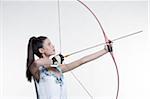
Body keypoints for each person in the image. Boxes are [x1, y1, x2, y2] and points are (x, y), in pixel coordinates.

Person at [26, 36, 112, 99]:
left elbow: (82, 61)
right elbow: (37, 63)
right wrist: (54, 61)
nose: (52, 45)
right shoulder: (37, 71)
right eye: (49, 44)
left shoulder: (58, 68)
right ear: (41, 50)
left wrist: (105, 50)